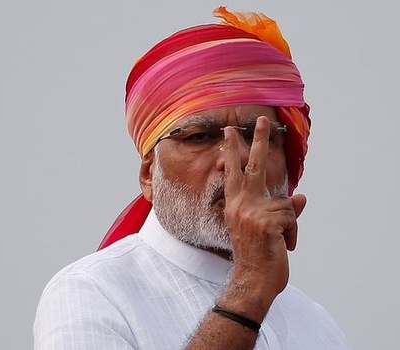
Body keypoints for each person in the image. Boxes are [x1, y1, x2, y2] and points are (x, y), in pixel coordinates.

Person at [33, 6, 351, 350]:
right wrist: (249, 291)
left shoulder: (314, 322)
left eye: (259, 137)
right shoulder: (92, 293)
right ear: (149, 175)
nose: (240, 159)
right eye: (201, 137)